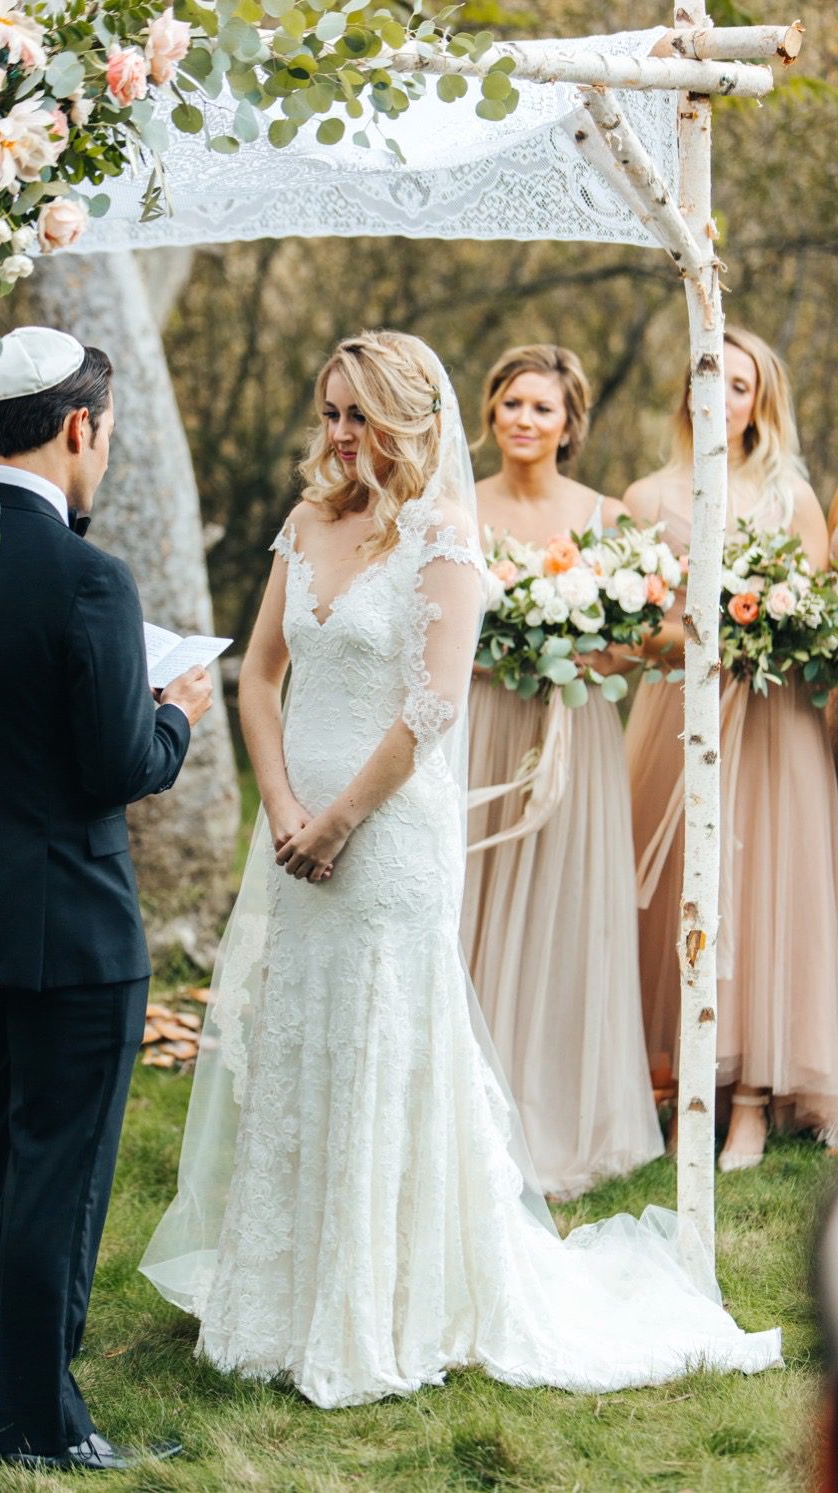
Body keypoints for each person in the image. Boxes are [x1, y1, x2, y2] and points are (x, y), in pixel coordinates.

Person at [141, 330, 780, 1410]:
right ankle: (286, 1291)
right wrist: (285, 809)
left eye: (360, 415)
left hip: (388, 836)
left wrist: (339, 819)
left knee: (387, 1035)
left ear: (407, 419)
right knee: (303, 1033)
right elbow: (254, 678)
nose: (341, 435)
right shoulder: (304, 524)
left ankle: (388, 1292)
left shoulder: (441, 533)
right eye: (329, 412)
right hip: (295, 826)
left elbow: (432, 704)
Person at [0, 327, 212, 1471]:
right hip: (72, 928)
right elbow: (118, 764)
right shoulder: (90, 578)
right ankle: (36, 1420)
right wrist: (175, 708)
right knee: (55, 1173)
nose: (107, 452)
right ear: (80, 429)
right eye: (109, 434)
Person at [625, 324, 838, 1169]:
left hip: (774, 720)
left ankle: (751, 1101)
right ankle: (687, 1087)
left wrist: (769, 625)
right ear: (688, 393)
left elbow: (818, 618)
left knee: (765, 888)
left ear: (762, 401)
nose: (723, 398)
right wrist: (704, 635)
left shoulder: (794, 496)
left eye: (742, 385)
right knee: (680, 889)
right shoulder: (646, 496)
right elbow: (639, 627)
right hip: (683, 709)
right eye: (710, 381)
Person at [461, 344, 660, 1199]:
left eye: (542, 407)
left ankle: (559, 1110)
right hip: (483, 723)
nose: (524, 420)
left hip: (575, 728)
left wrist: (594, 657)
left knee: (564, 906)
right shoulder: (459, 510)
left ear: (570, 424)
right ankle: (467, 1110)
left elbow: (648, 644)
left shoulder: (608, 518)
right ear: (491, 414)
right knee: (476, 902)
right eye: (511, 403)